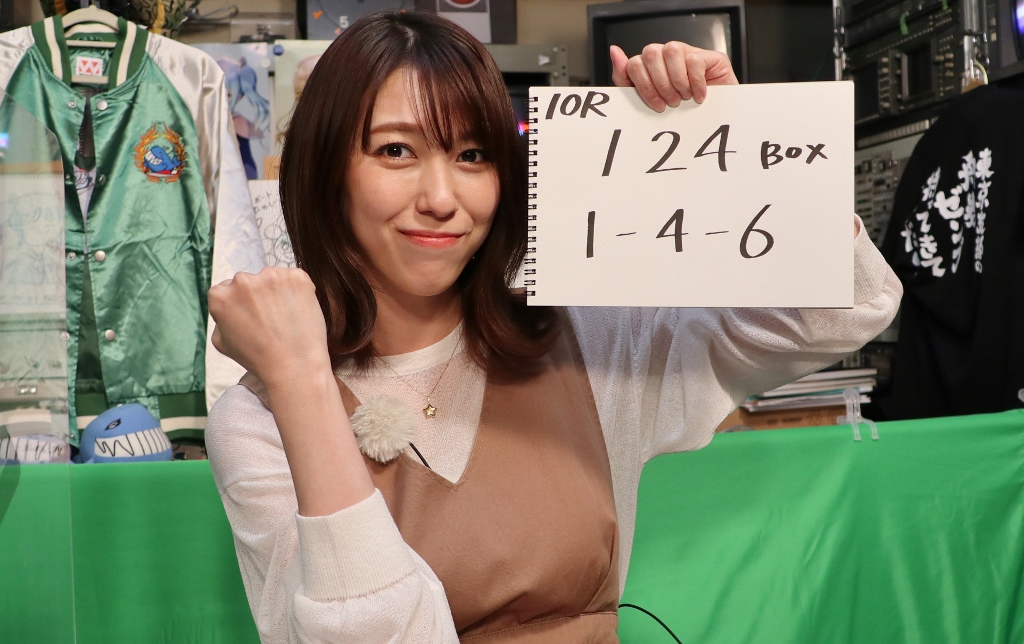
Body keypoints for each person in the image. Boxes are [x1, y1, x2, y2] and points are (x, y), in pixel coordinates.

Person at [205, 10, 901, 643]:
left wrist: (734, 142)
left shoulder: (587, 341)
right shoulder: (260, 420)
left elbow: (846, 309)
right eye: (395, 151)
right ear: (326, 170)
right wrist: (303, 383)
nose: (441, 198)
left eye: (472, 155)